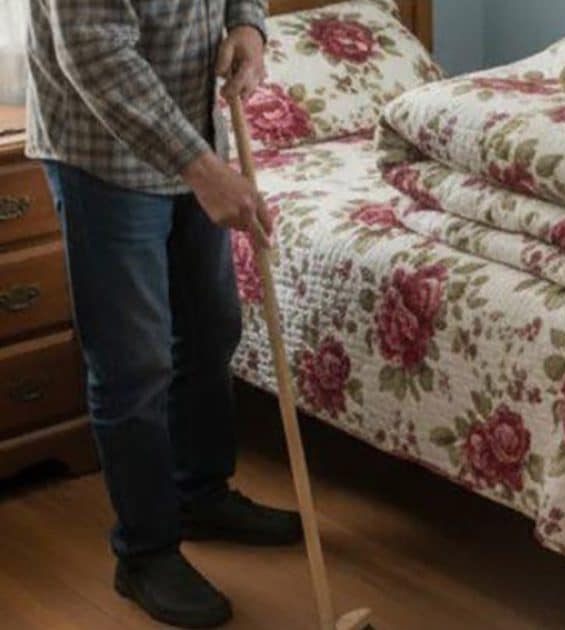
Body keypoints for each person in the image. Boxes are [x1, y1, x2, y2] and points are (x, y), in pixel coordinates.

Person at [25, 0, 300, 626]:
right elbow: (96, 56)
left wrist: (249, 27)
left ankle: (200, 495)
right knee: (133, 363)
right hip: (105, 155)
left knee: (210, 330)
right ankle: (145, 551)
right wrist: (205, 171)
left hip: (194, 133)